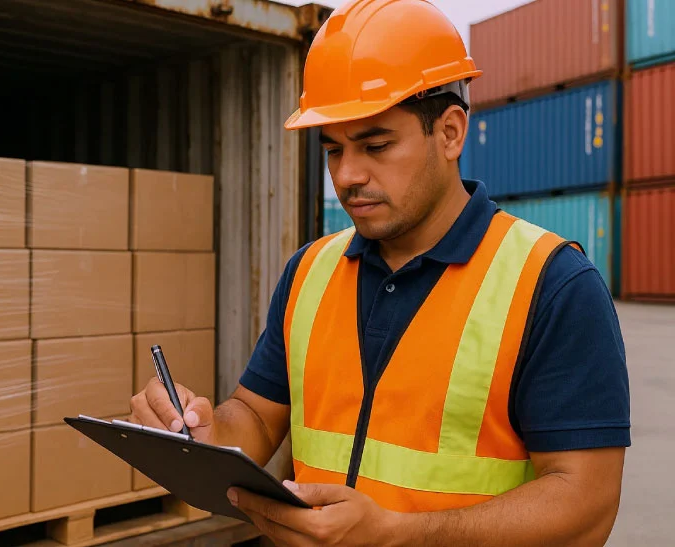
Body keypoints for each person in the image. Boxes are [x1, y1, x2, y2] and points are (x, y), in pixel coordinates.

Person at [130, 0, 631, 544]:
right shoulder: (310, 271)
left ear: (450, 132)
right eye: (333, 150)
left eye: (376, 145)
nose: (346, 176)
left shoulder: (550, 284)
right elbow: (253, 415)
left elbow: (587, 504)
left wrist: (397, 534)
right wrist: (202, 433)